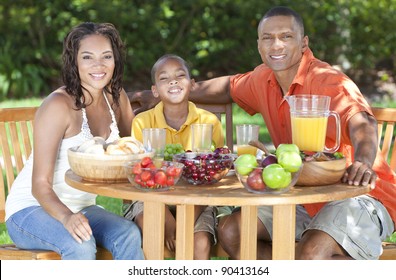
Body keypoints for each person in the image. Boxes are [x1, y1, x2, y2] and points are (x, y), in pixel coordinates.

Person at [129, 7, 396, 260]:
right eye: (268, 38)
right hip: (302, 195)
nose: (276, 45)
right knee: (232, 232)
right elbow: (227, 87)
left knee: (313, 252)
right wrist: (172, 93)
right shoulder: (263, 78)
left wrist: (362, 162)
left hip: (357, 194)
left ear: (303, 43)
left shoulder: (329, 80)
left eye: (286, 37)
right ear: (259, 45)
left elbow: (363, 124)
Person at [5, 22, 144, 260]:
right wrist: (66, 217)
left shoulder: (116, 97)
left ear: (116, 60)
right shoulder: (58, 105)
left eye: (106, 56)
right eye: (87, 57)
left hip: (83, 207)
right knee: (79, 243)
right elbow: (39, 185)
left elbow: (134, 155)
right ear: (74, 61)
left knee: (128, 233)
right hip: (30, 209)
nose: (98, 65)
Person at [123, 54, 224, 260]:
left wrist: (184, 222)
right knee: (151, 225)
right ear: (155, 91)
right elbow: (141, 175)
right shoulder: (143, 122)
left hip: (199, 199)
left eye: (180, 75)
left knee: (200, 242)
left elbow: (213, 176)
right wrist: (167, 218)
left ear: (192, 84)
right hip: (148, 196)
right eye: (164, 78)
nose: (173, 81)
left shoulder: (208, 121)